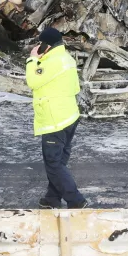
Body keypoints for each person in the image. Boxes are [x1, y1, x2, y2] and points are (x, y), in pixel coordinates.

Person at [27, 27, 87, 209]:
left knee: (54, 165)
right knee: (59, 163)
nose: (38, 46)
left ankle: (76, 200)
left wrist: (32, 59)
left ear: (47, 45)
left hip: (55, 121)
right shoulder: (66, 58)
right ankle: (52, 199)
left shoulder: (52, 61)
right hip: (69, 117)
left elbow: (32, 81)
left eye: (40, 43)